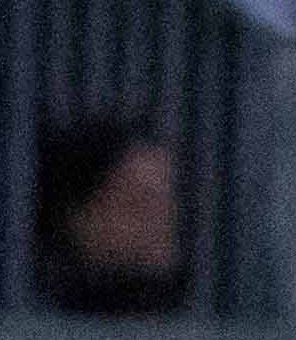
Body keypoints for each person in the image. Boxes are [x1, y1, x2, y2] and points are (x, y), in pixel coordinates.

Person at [29, 113, 183, 320]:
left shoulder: (198, 338)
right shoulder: (30, 332)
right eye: (139, 203)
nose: (161, 223)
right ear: (79, 217)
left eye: (167, 203)